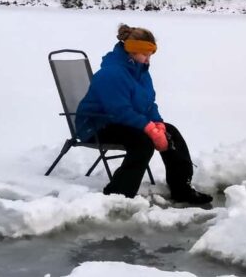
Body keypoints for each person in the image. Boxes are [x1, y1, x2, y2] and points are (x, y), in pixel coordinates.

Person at [75, 24, 213, 205]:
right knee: (143, 142)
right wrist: (149, 129)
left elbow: (149, 104)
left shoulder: (141, 72)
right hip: (98, 125)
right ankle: (118, 195)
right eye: (145, 54)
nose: (148, 60)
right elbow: (119, 111)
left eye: (150, 55)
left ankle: (181, 188)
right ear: (132, 51)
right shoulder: (111, 73)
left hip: (123, 122)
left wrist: (158, 123)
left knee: (171, 132)